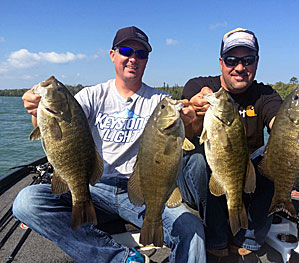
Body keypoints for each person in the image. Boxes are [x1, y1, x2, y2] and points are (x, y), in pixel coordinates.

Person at [13, 26, 206, 263]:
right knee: (26, 202)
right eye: (126, 51)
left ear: (147, 60)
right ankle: (121, 259)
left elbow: (190, 127)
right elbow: (57, 129)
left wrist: (192, 117)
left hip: (140, 191)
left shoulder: (160, 102)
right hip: (94, 185)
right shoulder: (90, 96)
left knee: (192, 229)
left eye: (141, 54)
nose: (133, 58)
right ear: (113, 55)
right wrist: (35, 110)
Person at [179, 28, 299, 263]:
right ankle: (217, 239)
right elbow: (191, 130)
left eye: (248, 60)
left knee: (272, 157)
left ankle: (248, 239)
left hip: (245, 180)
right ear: (221, 62)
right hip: (200, 183)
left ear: (256, 63)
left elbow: (277, 123)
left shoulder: (265, 95)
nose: (240, 67)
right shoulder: (199, 86)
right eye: (232, 60)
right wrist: (194, 112)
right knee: (198, 160)